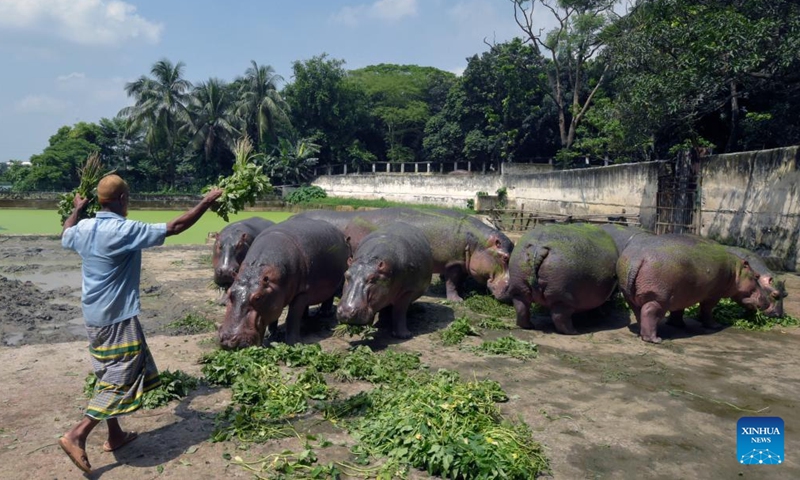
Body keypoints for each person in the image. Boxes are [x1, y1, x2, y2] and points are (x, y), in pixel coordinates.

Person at [58, 174, 222, 474]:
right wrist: (206, 202)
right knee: (122, 377)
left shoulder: (83, 227)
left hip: (93, 315)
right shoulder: (124, 230)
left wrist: (77, 209)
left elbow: (66, 230)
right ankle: (77, 434)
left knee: (108, 372)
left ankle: (115, 435)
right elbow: (175, 227)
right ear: (123, 200)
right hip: (117, 316)